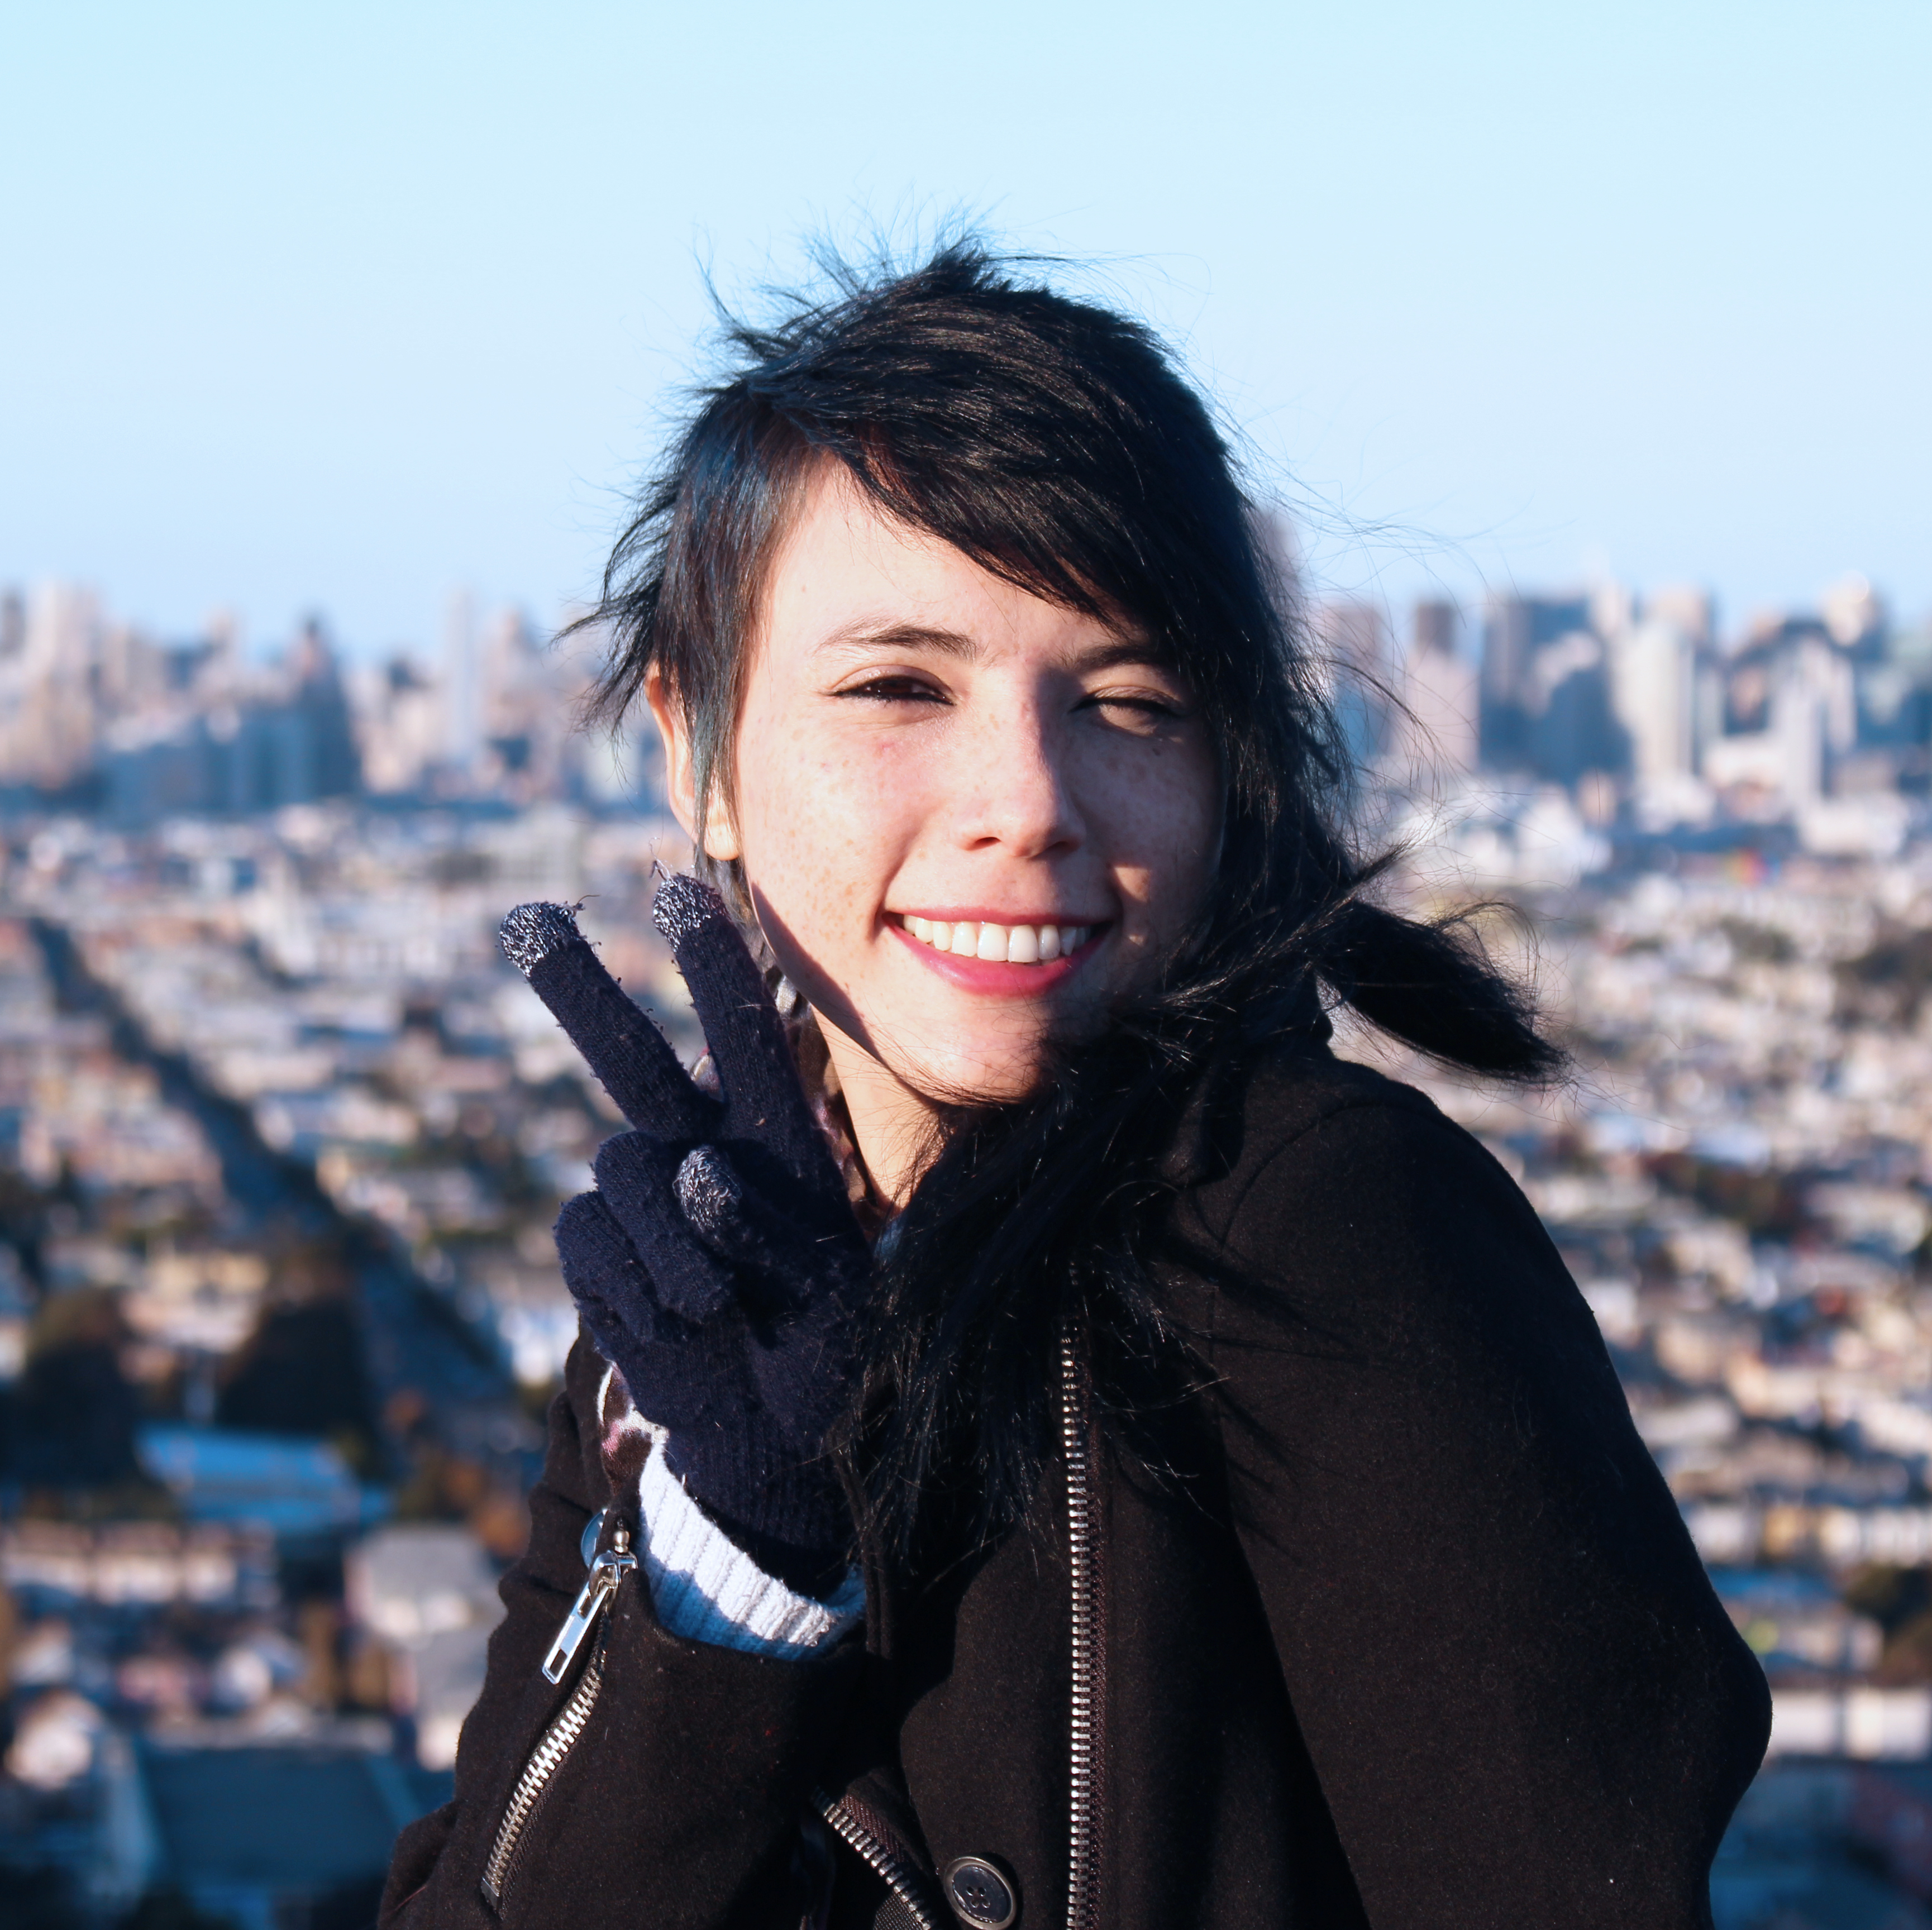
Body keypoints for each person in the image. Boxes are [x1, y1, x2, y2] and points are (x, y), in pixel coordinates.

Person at [381, 245, 1768, 1930]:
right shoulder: (690, 1312)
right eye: (900, 685)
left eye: (1127, 700)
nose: (1028, 798)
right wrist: (730, 1561)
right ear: (698, 751)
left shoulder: (1320, 1225)